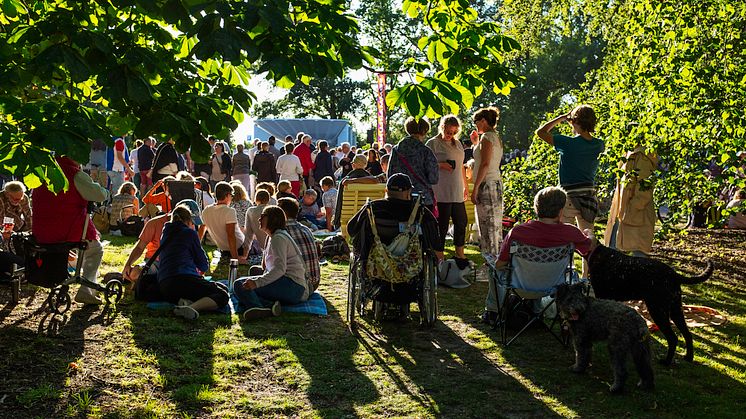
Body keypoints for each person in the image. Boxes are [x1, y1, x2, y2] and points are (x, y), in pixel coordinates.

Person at [483, 186, 592, 322]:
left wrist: (493, 262)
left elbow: (500, 265)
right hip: (554, 286)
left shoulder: (518, 232)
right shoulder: (571, 233)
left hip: (520, 286)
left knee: (493, 269)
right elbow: (588, 249)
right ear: (560, 211)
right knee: (569, 273)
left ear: (536, 208)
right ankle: (535, 311)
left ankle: (493, 312)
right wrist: (589, 236)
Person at [535, 104, 604, 277]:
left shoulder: (568, 143)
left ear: (575, 121)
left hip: (569, 196)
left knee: (563, 237)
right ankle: (588, 278)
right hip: (588, 197)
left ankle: (562, 274)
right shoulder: (598, 145)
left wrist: (561, 118)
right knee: (588, 240)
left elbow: (541, 132)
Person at [32, 156, 110, 304]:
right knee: (95, 250)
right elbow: (98, 194)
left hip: (41, 231)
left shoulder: (45, 171)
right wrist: (105, 192)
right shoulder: (74, 174)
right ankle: (86, 291)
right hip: (66, 229)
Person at [347, 173, 439, 273]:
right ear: (409, 192)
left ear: (386, 190)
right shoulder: (419, 211)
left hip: (375, 265)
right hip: (411, 267)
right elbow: (434, 239)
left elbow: (351, 229)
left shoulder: (373, 208)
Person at [233, 205, 309, 320]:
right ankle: (271, 305)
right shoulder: (273, 237)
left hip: (294, 287)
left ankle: (259, 307)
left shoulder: (278, 238)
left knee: (239, 284)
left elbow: (280, 269)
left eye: (263, 216)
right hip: (290, 283)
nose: (259, 219)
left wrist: (257, 283)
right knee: (254, 270)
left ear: (272, 219)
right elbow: (268, 266)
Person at [158, 202, 229, 320]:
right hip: (183, 279)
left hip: (164, 285)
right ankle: (192, 307)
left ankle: (185, 302)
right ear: (189, 222)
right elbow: (203, 265)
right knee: (222, 295)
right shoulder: (189, 233)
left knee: (217, 287)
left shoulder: (165, 233)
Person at [604, 137, 658, 257]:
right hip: (623, 212)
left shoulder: (643, 157)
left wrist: (632, 208)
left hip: (636, 214)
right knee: (614, 251)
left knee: (638, 255)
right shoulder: (629, 153)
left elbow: (644, 190)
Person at [426, 115, 469, 266]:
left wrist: (465, 186)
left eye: (454, 132)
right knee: (441, 226)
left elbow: (462, 166)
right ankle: (439, 256)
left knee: (461, 222)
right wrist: (441, 165)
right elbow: (426, 165)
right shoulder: (433, 144)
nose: (450, 135)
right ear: (442, 127)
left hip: (456, 189)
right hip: (441, 191)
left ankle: (460, 254)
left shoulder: (457, 144)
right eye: (448, 131)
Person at [469, 107, 504, 266]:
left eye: (476, 121)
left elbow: (484, 164)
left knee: (488, 226)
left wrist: (475, 188)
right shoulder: (492, 137)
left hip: (487, 185)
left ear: (483, 121)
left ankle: (491, 262)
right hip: (493, 183)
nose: (475, 125)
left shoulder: (487, 138)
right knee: (493, 225)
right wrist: (475, 143)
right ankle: (493, 261)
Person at [387, 117, 439, 212]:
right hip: (422, 199)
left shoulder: (396, 150)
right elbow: (433, 178)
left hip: (398, 198)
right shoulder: (425, 151)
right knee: (425, 226)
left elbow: (390, 175)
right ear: (424, 131)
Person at [277, 197, 322, 292]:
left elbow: (269, 267)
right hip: (314, 283)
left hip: (296, 286)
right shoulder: (306, 229)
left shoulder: (279, 232)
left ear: (281, 213)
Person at [200, 182, 246, 261]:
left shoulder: (206, 210)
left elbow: (201, 230)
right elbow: (230, 235)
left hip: (223, 248)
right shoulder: (229, 211)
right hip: (239, 247)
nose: (231, 198)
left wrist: (196, 247)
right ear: (227, 195)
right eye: (231, 196)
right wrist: (235, 258)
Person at [122, 206, 170, 282]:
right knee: (135, 274)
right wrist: (128, 265)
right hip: (154, 262)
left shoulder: (192, 226)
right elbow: (140, 247)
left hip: (177, 264)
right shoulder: (154, 222)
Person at [332, 154, 373, 230]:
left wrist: (336, 221)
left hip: (348, 219)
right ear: (365, 165)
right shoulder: (372, 181)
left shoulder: (345, 181)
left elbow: (339, 203)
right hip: (367, 219)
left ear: (353, 165)